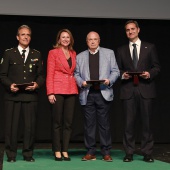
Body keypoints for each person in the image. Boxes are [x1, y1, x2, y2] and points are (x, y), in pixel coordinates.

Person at [116, 20, 160, 162]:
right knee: (129, 124)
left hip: (145, 89)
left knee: (147, 123)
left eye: (133, 29)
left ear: (138, 30)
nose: (130, 32)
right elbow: (117, 69)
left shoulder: (150, 47)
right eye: (128, 30)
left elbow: (156, 67)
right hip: (128, 90)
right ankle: (129, 152)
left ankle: (147, 152)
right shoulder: (121, 49)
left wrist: (149, 74)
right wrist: (123, 75)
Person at [0, 25, 44, 162]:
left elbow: (41, 75)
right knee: (11, 128)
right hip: (12, 96)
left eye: (28, 35)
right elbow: (3, 75)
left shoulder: (36, 54)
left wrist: (37, 84)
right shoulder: (9, 53)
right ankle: (11, 155)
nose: (26, 37)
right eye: (23, 35)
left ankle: (28, 154)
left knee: (29, 128)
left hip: (30, 96)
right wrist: (9, 85)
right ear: (17, 37)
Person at [74, 31, 120, 162]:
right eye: (90, 39)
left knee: (104, 124)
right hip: (87, 94)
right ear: (87, 41)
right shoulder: (80, 56)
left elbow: (115, 71)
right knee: (89, 125)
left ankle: (106, 152)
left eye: (95, 39)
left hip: (103, 93)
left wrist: (109, 80)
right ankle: (90, 152)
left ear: (99, 40)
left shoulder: (109, 53)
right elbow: (76, 74)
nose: (93, 41)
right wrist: (81, 82)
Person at [46, 29, 78, 161]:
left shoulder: (73, 53)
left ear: (70, 39)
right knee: (57, 122)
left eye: (68, 37)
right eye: (63, 37)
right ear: (59, 39)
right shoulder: (53, 53)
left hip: (71, 89)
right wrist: (50, 92)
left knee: (68, 123)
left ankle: (65, 149)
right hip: (57, 89)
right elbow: (50, 73)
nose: (65, 39)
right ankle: (57, 150)